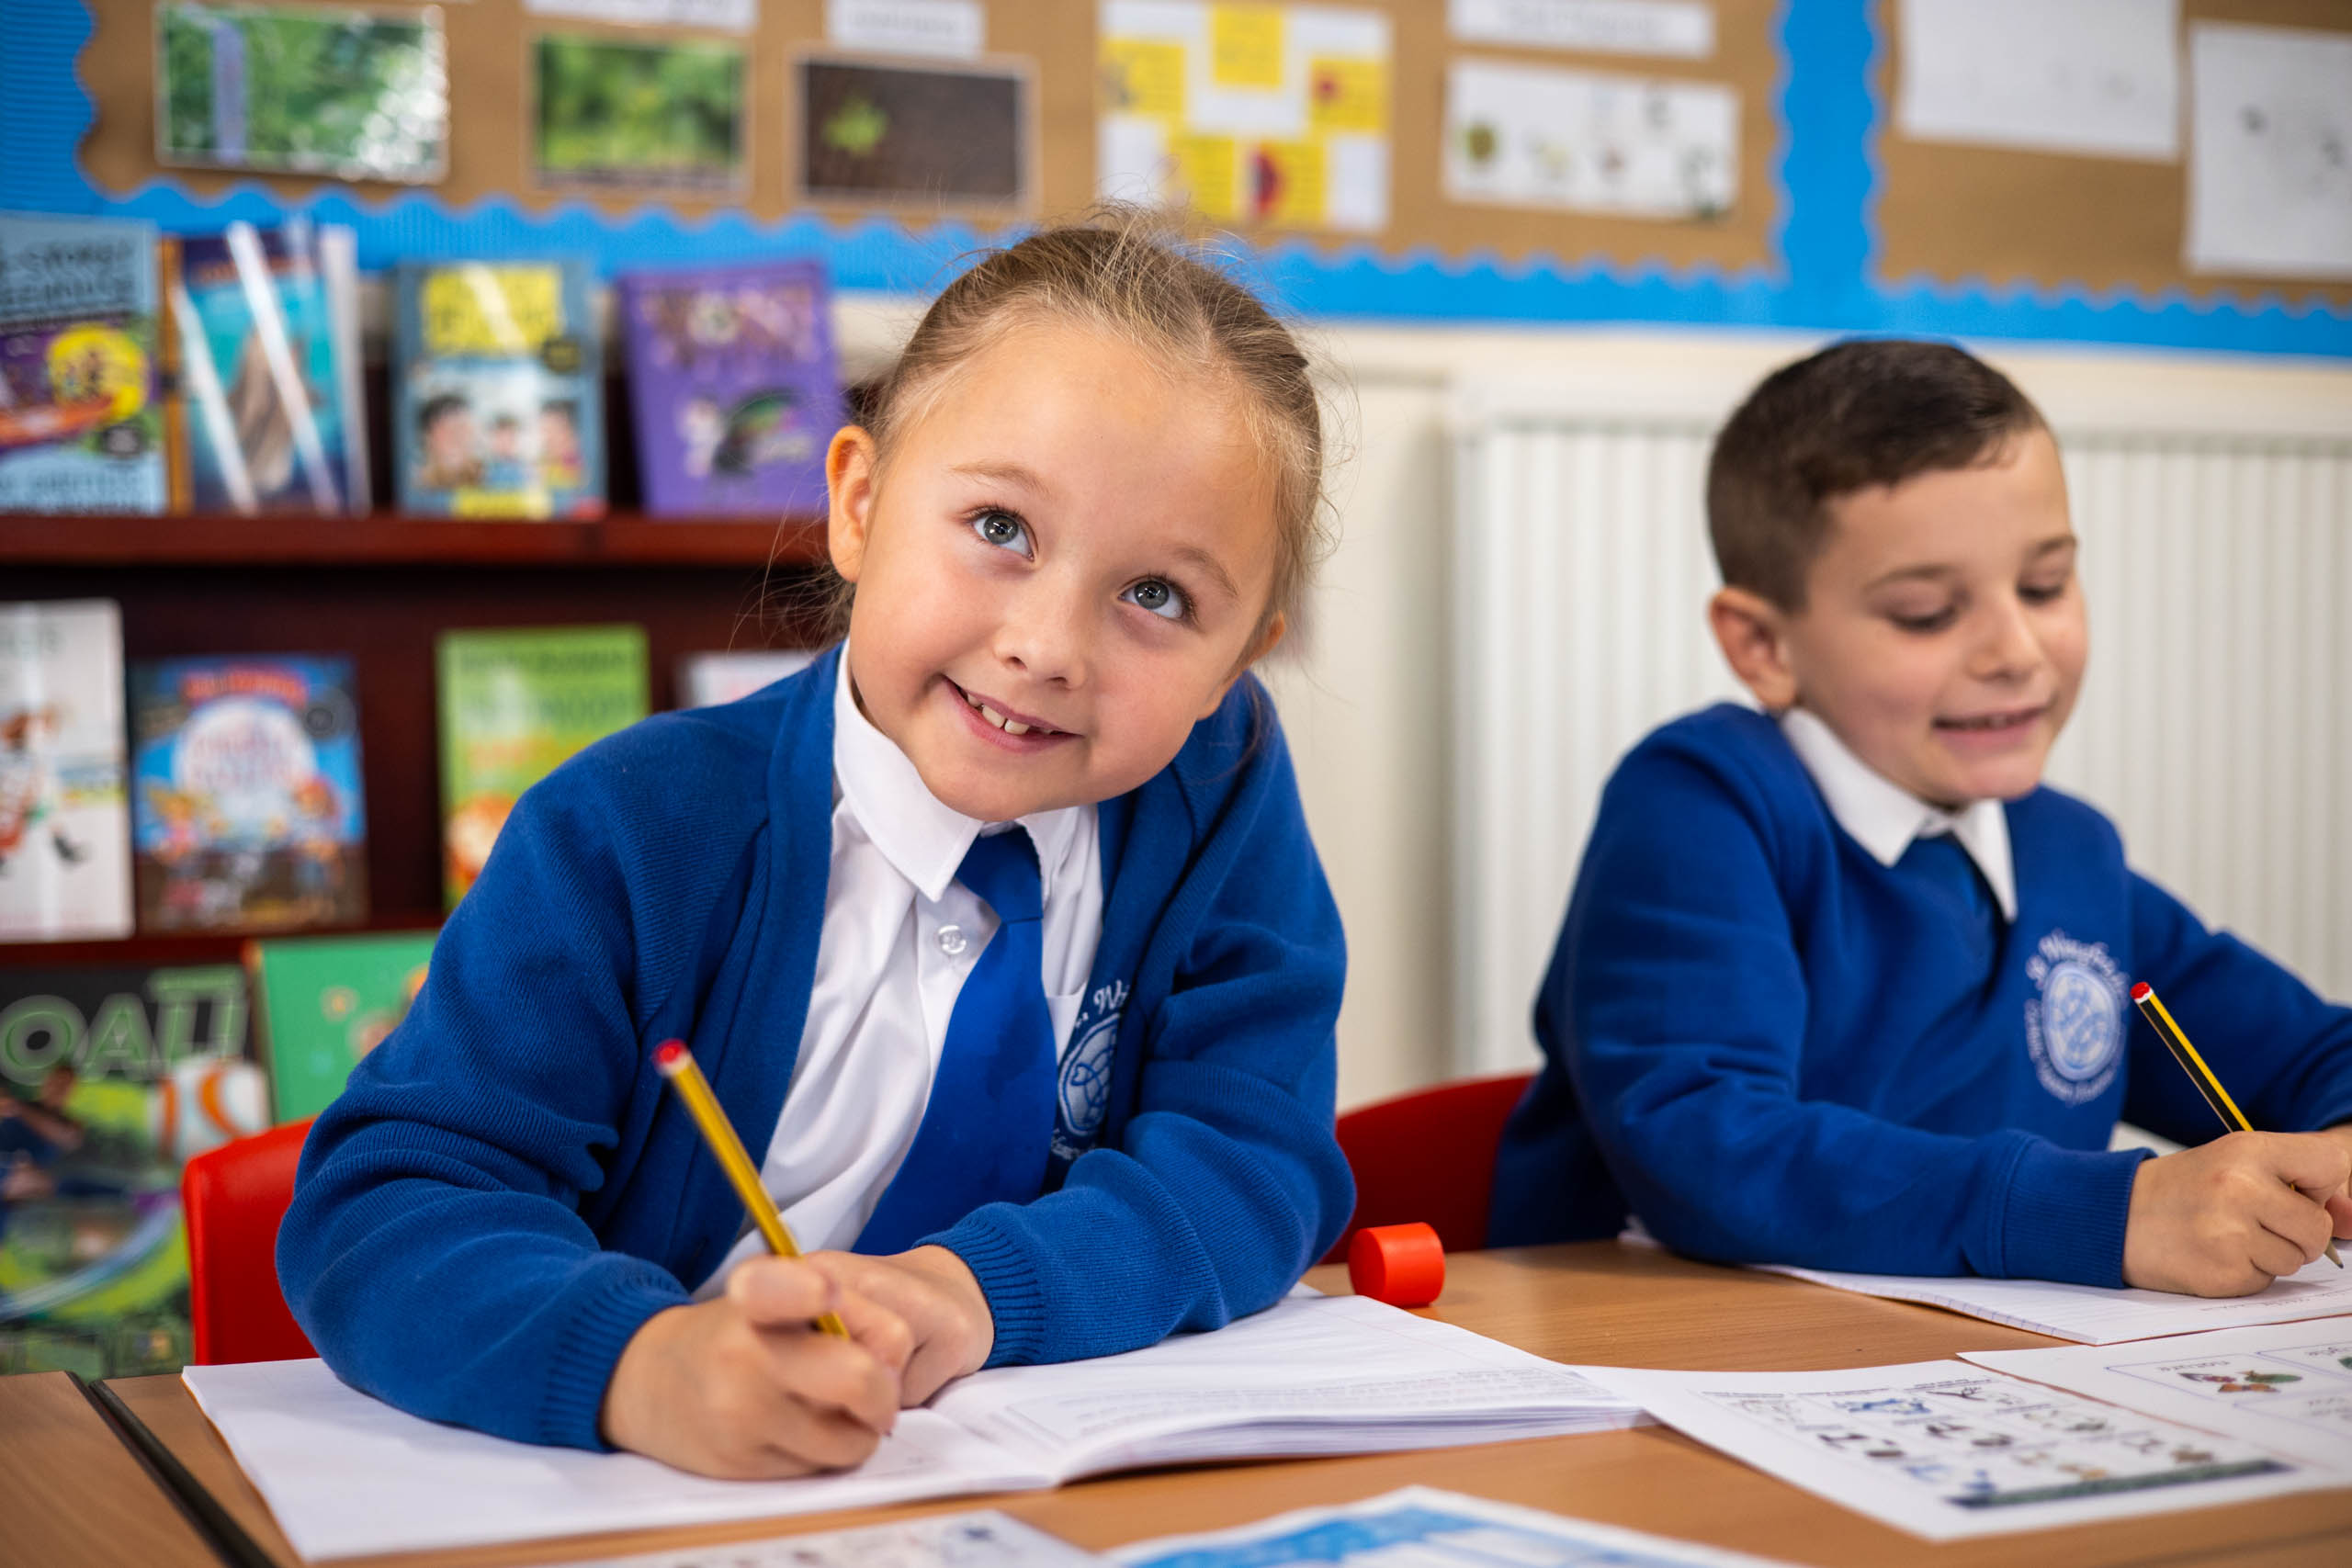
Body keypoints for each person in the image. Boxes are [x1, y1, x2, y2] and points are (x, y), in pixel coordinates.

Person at [278, 212, 1351, 1479]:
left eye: (1158, 597)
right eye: (1001, 526)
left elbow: (1254, 1153)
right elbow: (389, 1207)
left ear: (1241, 656)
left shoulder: (1214, 786)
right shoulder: (630, 829)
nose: (1050, 643)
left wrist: (975, 1288)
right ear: (857, 503)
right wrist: (639, 1366)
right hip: (649, 1497)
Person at [1489, 338, 2352, 1298]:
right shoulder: (1702, 805)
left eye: (2043, 586)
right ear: (1762, 644)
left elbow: (2309, 1055)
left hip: (1982, 1382)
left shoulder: (2068, 855)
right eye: (1926, 612)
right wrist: (2103, 1214)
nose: (2015, 650)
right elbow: (1704, 1144)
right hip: (1659, 1362)